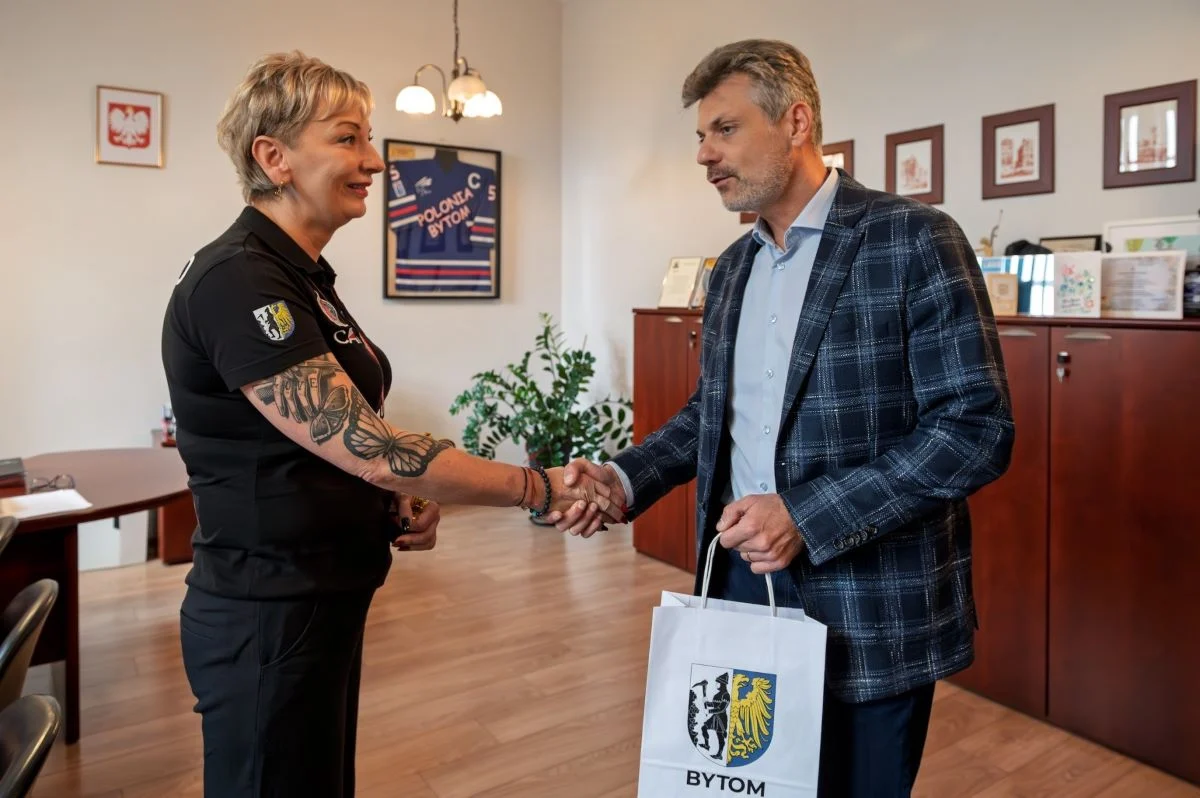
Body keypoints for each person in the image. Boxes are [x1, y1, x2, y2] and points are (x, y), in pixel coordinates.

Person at [550, 39, 1014, 797]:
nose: (704, 154)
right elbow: (712, 415)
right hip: (739, 584)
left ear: (796, 122)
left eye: (725, 129)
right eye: (701, 135)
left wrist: (805, 514)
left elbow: (974, 430)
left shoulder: (914, 239)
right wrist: (622, 479)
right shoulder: (732, 268)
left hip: (871, 602)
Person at [161, 51, 617, 798]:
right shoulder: (239, 278)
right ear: (273, 157)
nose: (373, 161)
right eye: (348, 138)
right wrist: (537, 487)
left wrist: (392, 497)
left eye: (368, 138)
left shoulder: (300, 274)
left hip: (321, 594)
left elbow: (333, 441)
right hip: (268, 609)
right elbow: (369, 446)